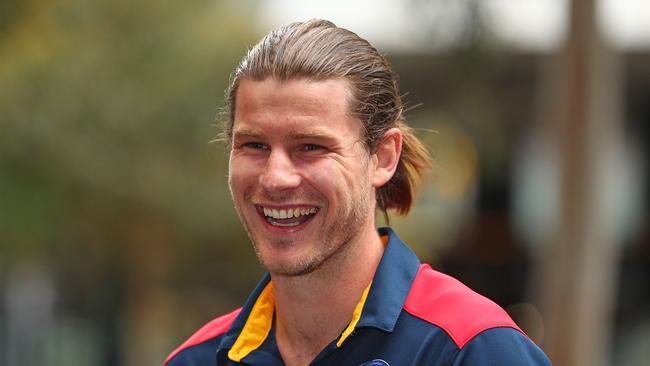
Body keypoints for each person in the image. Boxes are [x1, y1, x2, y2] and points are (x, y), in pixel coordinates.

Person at [165, 19, 551, 366]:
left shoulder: (473, 350)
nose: (275, 177)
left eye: (311, 147)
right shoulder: (195, 360)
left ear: (383, 157)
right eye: (254, 145)